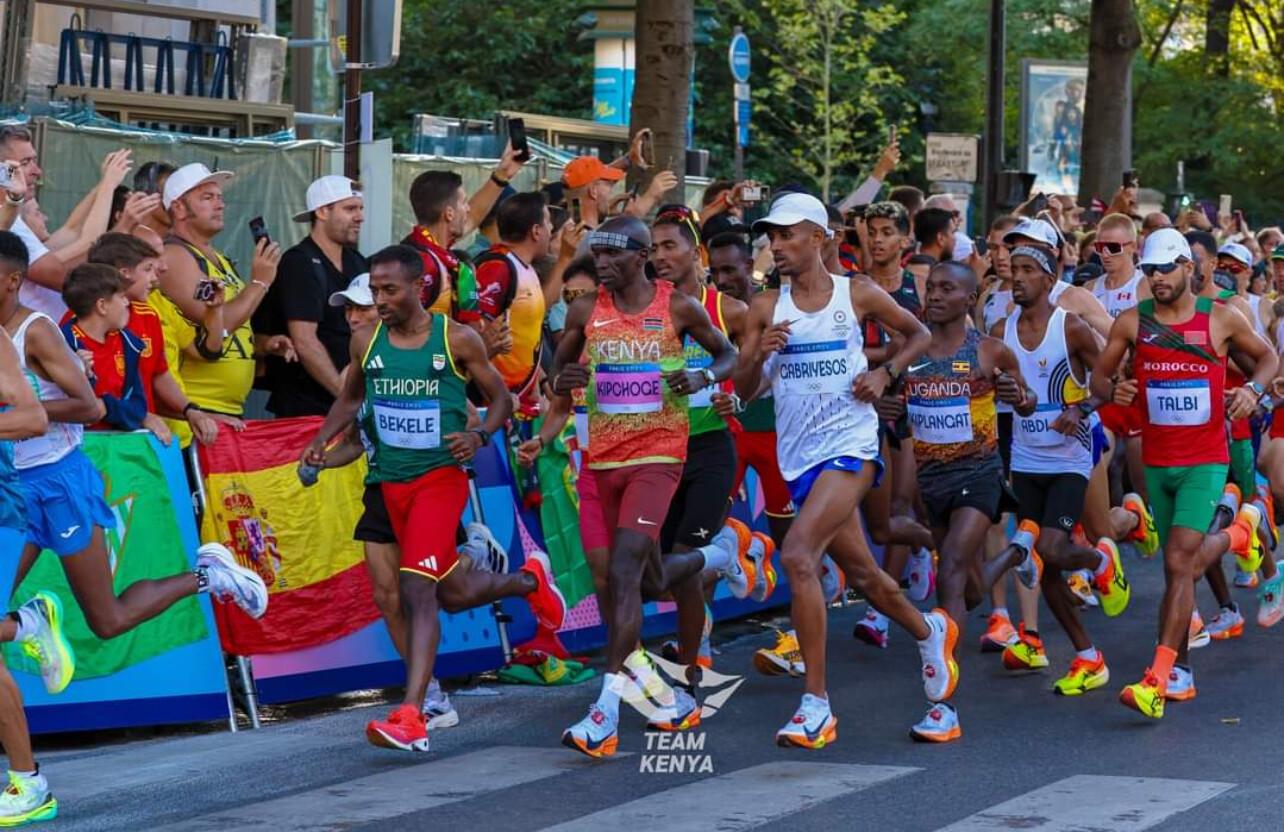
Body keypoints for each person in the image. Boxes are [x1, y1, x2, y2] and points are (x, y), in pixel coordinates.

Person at [302, 245, 566, 753]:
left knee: (416, 590)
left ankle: (414, 713)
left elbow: (501, 398)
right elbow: (351, 398)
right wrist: (322, 439)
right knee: (452, 594)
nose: (380, 300)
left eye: (389, 290)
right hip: (388, 483)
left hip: (439, 482)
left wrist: (479, 436)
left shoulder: (456, 338)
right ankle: (530, 580)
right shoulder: (366, 341)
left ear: (418, 288)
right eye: (374, 290)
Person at [732, 192, 958, 749]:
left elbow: (919, 334)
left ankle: (816, 706)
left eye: (787, 235)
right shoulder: (765, 306)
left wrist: (886, 375)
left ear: (819, 238)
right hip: (800, 458)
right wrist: (757, 353)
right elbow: (745, 390)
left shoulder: (855, 292)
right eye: (772, 237)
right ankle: (928, 629)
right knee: (865, 576)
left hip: (852, 446)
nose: (776, 245)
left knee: (797, 555)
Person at [0, 229, 267, 654]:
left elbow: (89, 407)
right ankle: (29, 623)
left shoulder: (36, 331)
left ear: (13, 281)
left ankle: (210, 575)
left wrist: (23, 414)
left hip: (60, 481)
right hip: (17, 486)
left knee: (109, 620)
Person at [551, 217, 749, 758]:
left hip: (658, 458)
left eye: (612, 255)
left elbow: (727, 354)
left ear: (641, 257)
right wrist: (562, 378)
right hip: (602, 460)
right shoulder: (585, 310)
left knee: (623, 575)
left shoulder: (677, 307)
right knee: (645, 578)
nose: (602, 264)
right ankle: (719, 554)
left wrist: (704, 376)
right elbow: (557, 367)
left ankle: (605, 713)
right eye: (597, 255)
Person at [1091, 228, 1277, 719]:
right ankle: (1239, 535)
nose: (1157, 278)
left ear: (1188, 268)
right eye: (1150, 271)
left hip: (1205, 461)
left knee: (1177, 560)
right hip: (1157, 462)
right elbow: (1099, 377)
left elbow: (1267, 358)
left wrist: (1252, 392)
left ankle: (1156, 679)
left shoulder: (1220, 317)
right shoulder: (1133, 321)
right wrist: (1115, 391)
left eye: (1166, 269)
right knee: (1180, 568)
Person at [894, 261, 1042, 740]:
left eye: (947, 288)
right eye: (931, 288)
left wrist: (1015, 395)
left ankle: (943, 707)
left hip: (979, 476)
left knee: (952, 572)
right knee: (970, 590)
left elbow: (1028, 403)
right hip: (931, 481)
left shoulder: (989, 350)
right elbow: (894, 408)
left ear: (969, 298)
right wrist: (887, 405)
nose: (935, 295)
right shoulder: (910, 351)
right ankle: (1018, 552)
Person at [995, 243, 1140, 695]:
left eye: (1027, 270)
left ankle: (1100, 559)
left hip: (1070, 458)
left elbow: (1107, 382)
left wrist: (1080, 409)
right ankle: (1088, 657)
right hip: (1026, 457)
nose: (1017, 277)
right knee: (1045, 566)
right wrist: (1008, 396)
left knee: (1053, 548)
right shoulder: (1002, 330)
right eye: (1013, 269)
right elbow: (1001, 393)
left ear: (1048, 279)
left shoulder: (1070, 327)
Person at [650, 205, 763, 674]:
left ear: (695, 252)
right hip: (658, 452)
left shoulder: (729, 310)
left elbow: (755, 373)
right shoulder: (642, 309)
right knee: (663, 577)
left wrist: (734, 399)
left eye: (669, 246)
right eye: (653, 248)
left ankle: (692, 665)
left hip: (710, 449)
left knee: (682, 563)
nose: (659, 256)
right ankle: (730, 546)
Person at [156, 163, 290, 434]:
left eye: (220, 197)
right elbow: (218, 326)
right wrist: (260, 282)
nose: (220, 205)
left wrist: (262, 345)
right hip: (196, 413)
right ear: (178, 208)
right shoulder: (175, 256)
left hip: (223, 413)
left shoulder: (218, 259)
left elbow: (231, 328)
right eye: (207, 198)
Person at [85, 233, 221, 444]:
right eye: (148, 269)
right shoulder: (81, 321)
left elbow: (160, 374)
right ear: (124, 274)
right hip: (99, 442)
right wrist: (139, 416)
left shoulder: (149, 315)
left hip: (148, 440)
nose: (155, 275)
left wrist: (190, 410)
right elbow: (86, 393)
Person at [254, 175, 367, 417]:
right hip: (307, 410)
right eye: (350, 209)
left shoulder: (356, 261)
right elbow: (304, 341)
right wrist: (345, 397)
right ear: (322, 212)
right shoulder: (299, 263)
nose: (360, 217)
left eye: (360, 208)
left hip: (348, 407)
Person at [0, 127, 132, 321]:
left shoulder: (13, 218)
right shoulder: (7, 221)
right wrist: (109, 185)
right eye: (25, 163)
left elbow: (71, 230)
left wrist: (102, 185)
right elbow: (65, 274)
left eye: (34, 161)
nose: (37, 171)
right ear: (3, 171)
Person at [474, 191, 553, 405]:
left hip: (520, 400)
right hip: (496, 403)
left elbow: (525, 340)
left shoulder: (526, 268)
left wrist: (538, 386)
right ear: (536, 231)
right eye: (548, 222)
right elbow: (475, 338)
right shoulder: (497, 267)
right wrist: (496, 396)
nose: (552, 229)